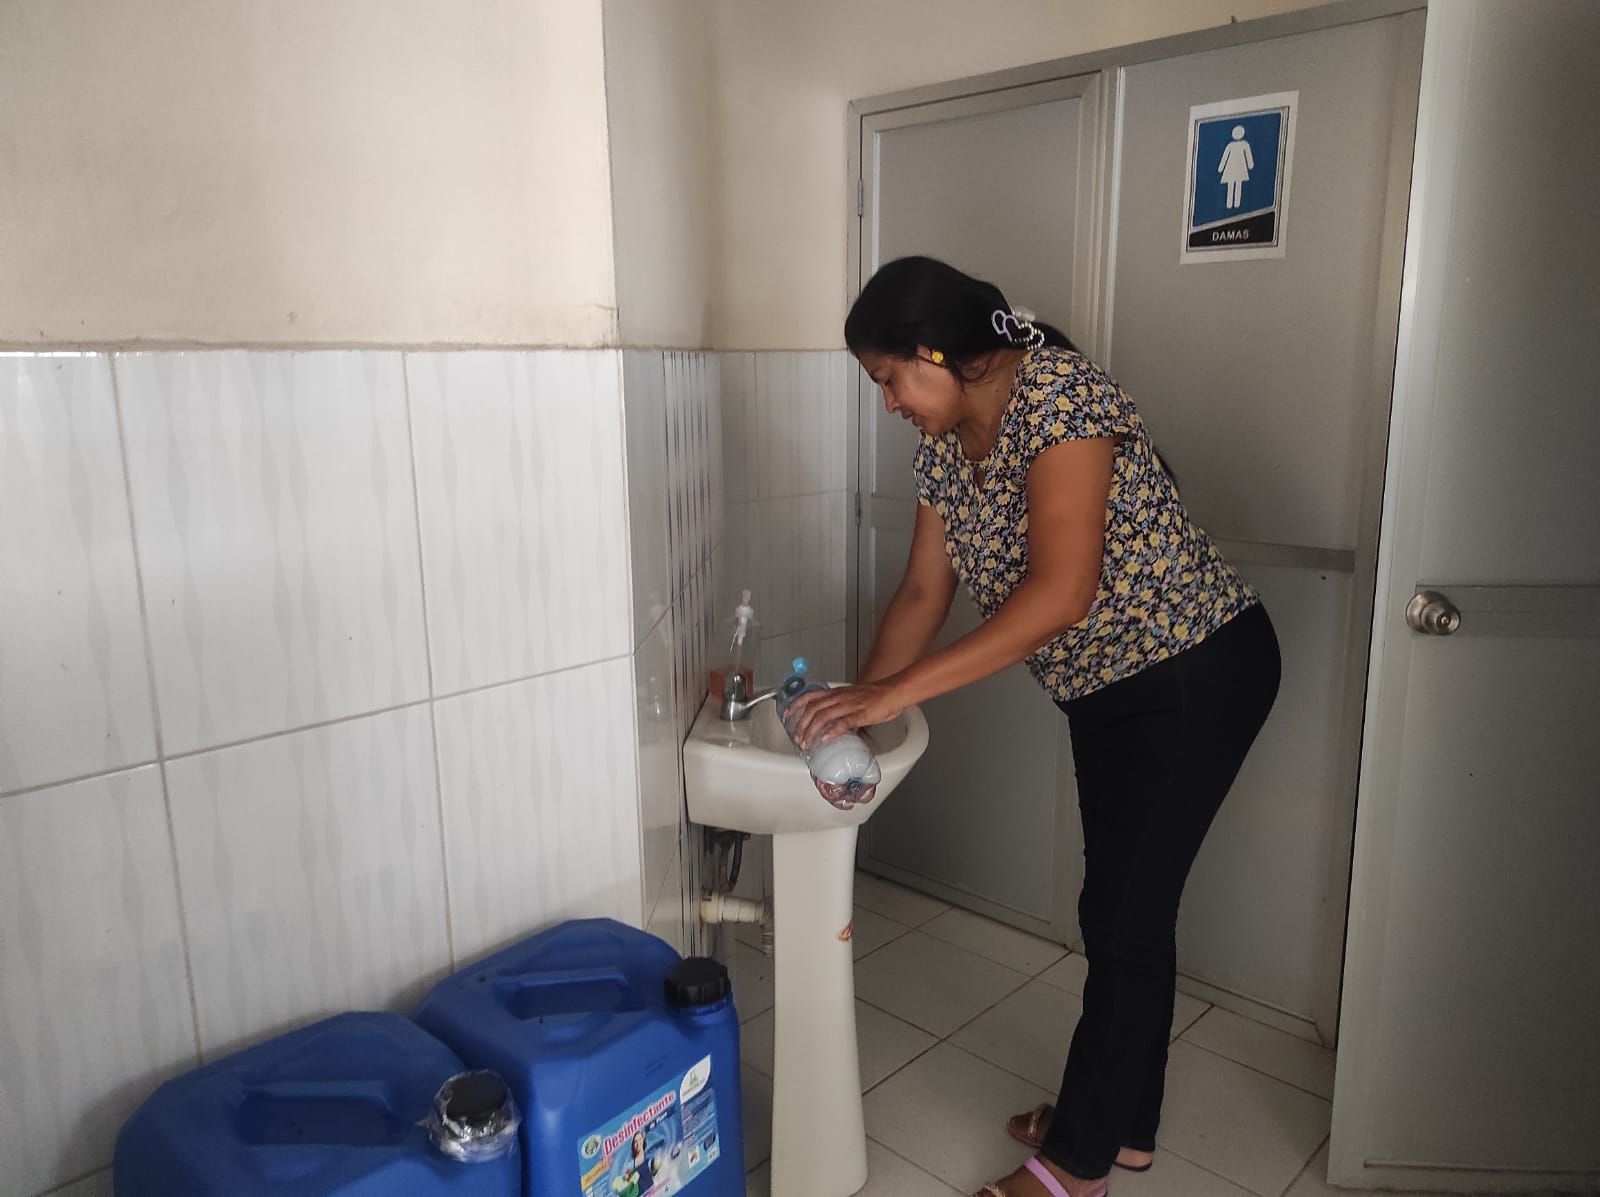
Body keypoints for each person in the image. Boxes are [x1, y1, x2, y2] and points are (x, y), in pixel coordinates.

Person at [786, 256, 1281, 1197]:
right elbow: (923, 591)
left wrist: (893, 697)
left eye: (890, 378)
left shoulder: (1060, 396)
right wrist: (860, 710)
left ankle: (1074, 1167)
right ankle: (1123, 1124)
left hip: (1193, 672)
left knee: (1123, 915)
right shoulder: (945, 448)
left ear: (935, 352)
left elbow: (1060, 594)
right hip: (1107, 689)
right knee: (1129, 909)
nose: (889, 403)